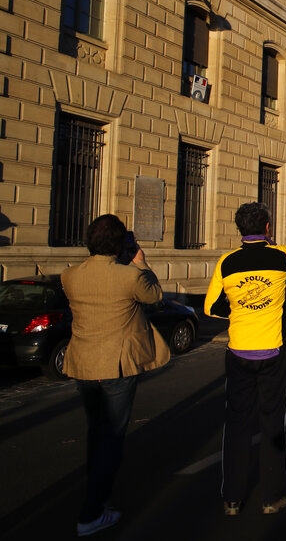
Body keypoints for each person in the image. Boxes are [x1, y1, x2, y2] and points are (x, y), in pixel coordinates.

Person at [204, 194, 286, 516]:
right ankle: (272, 496)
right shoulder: (280, 257)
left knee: (236, 424)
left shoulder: (227, 262)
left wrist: (240, 310)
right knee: (272, 424)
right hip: (273, 352)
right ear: (267, 227)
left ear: (240, 229)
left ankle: (232, 498)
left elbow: (211, 306)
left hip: (238, 352)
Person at [62, 214, 168, 537]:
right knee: (112, 438)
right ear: (120, 244)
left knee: (96, 432)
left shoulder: (69, 276)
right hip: (118, 365)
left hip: (84, 364)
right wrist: (141, 262)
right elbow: (156, 296)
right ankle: (91, 511)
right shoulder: (129, 277)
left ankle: (98, 497)